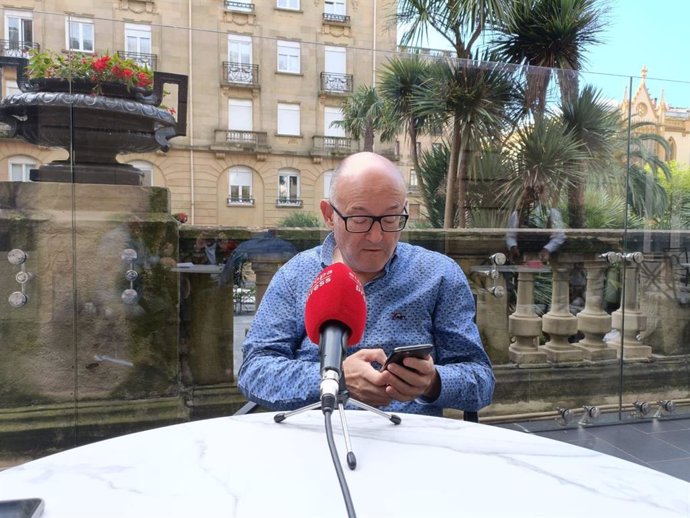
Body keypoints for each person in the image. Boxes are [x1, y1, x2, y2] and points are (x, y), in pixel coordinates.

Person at [238, 152, 494, 416]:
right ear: (329, 215)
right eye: (359, 220)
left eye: (391, 219)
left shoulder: (438, 275)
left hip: (411, 443)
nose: (376, 236)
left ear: (405, 211)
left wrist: (433, 382)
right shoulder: (295, 276)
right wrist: (333, 378)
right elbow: (253, 371)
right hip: (315, 439)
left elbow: (481, 381)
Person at [505, 185, 566, 264]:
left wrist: (547, 249)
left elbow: (559, 236)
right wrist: (513, 246)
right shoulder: (517, 214)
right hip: (522, 258)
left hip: (546, 261)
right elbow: (510, 236)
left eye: (533, 195)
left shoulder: (552, 213)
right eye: (528, 194)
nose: (530, 198)